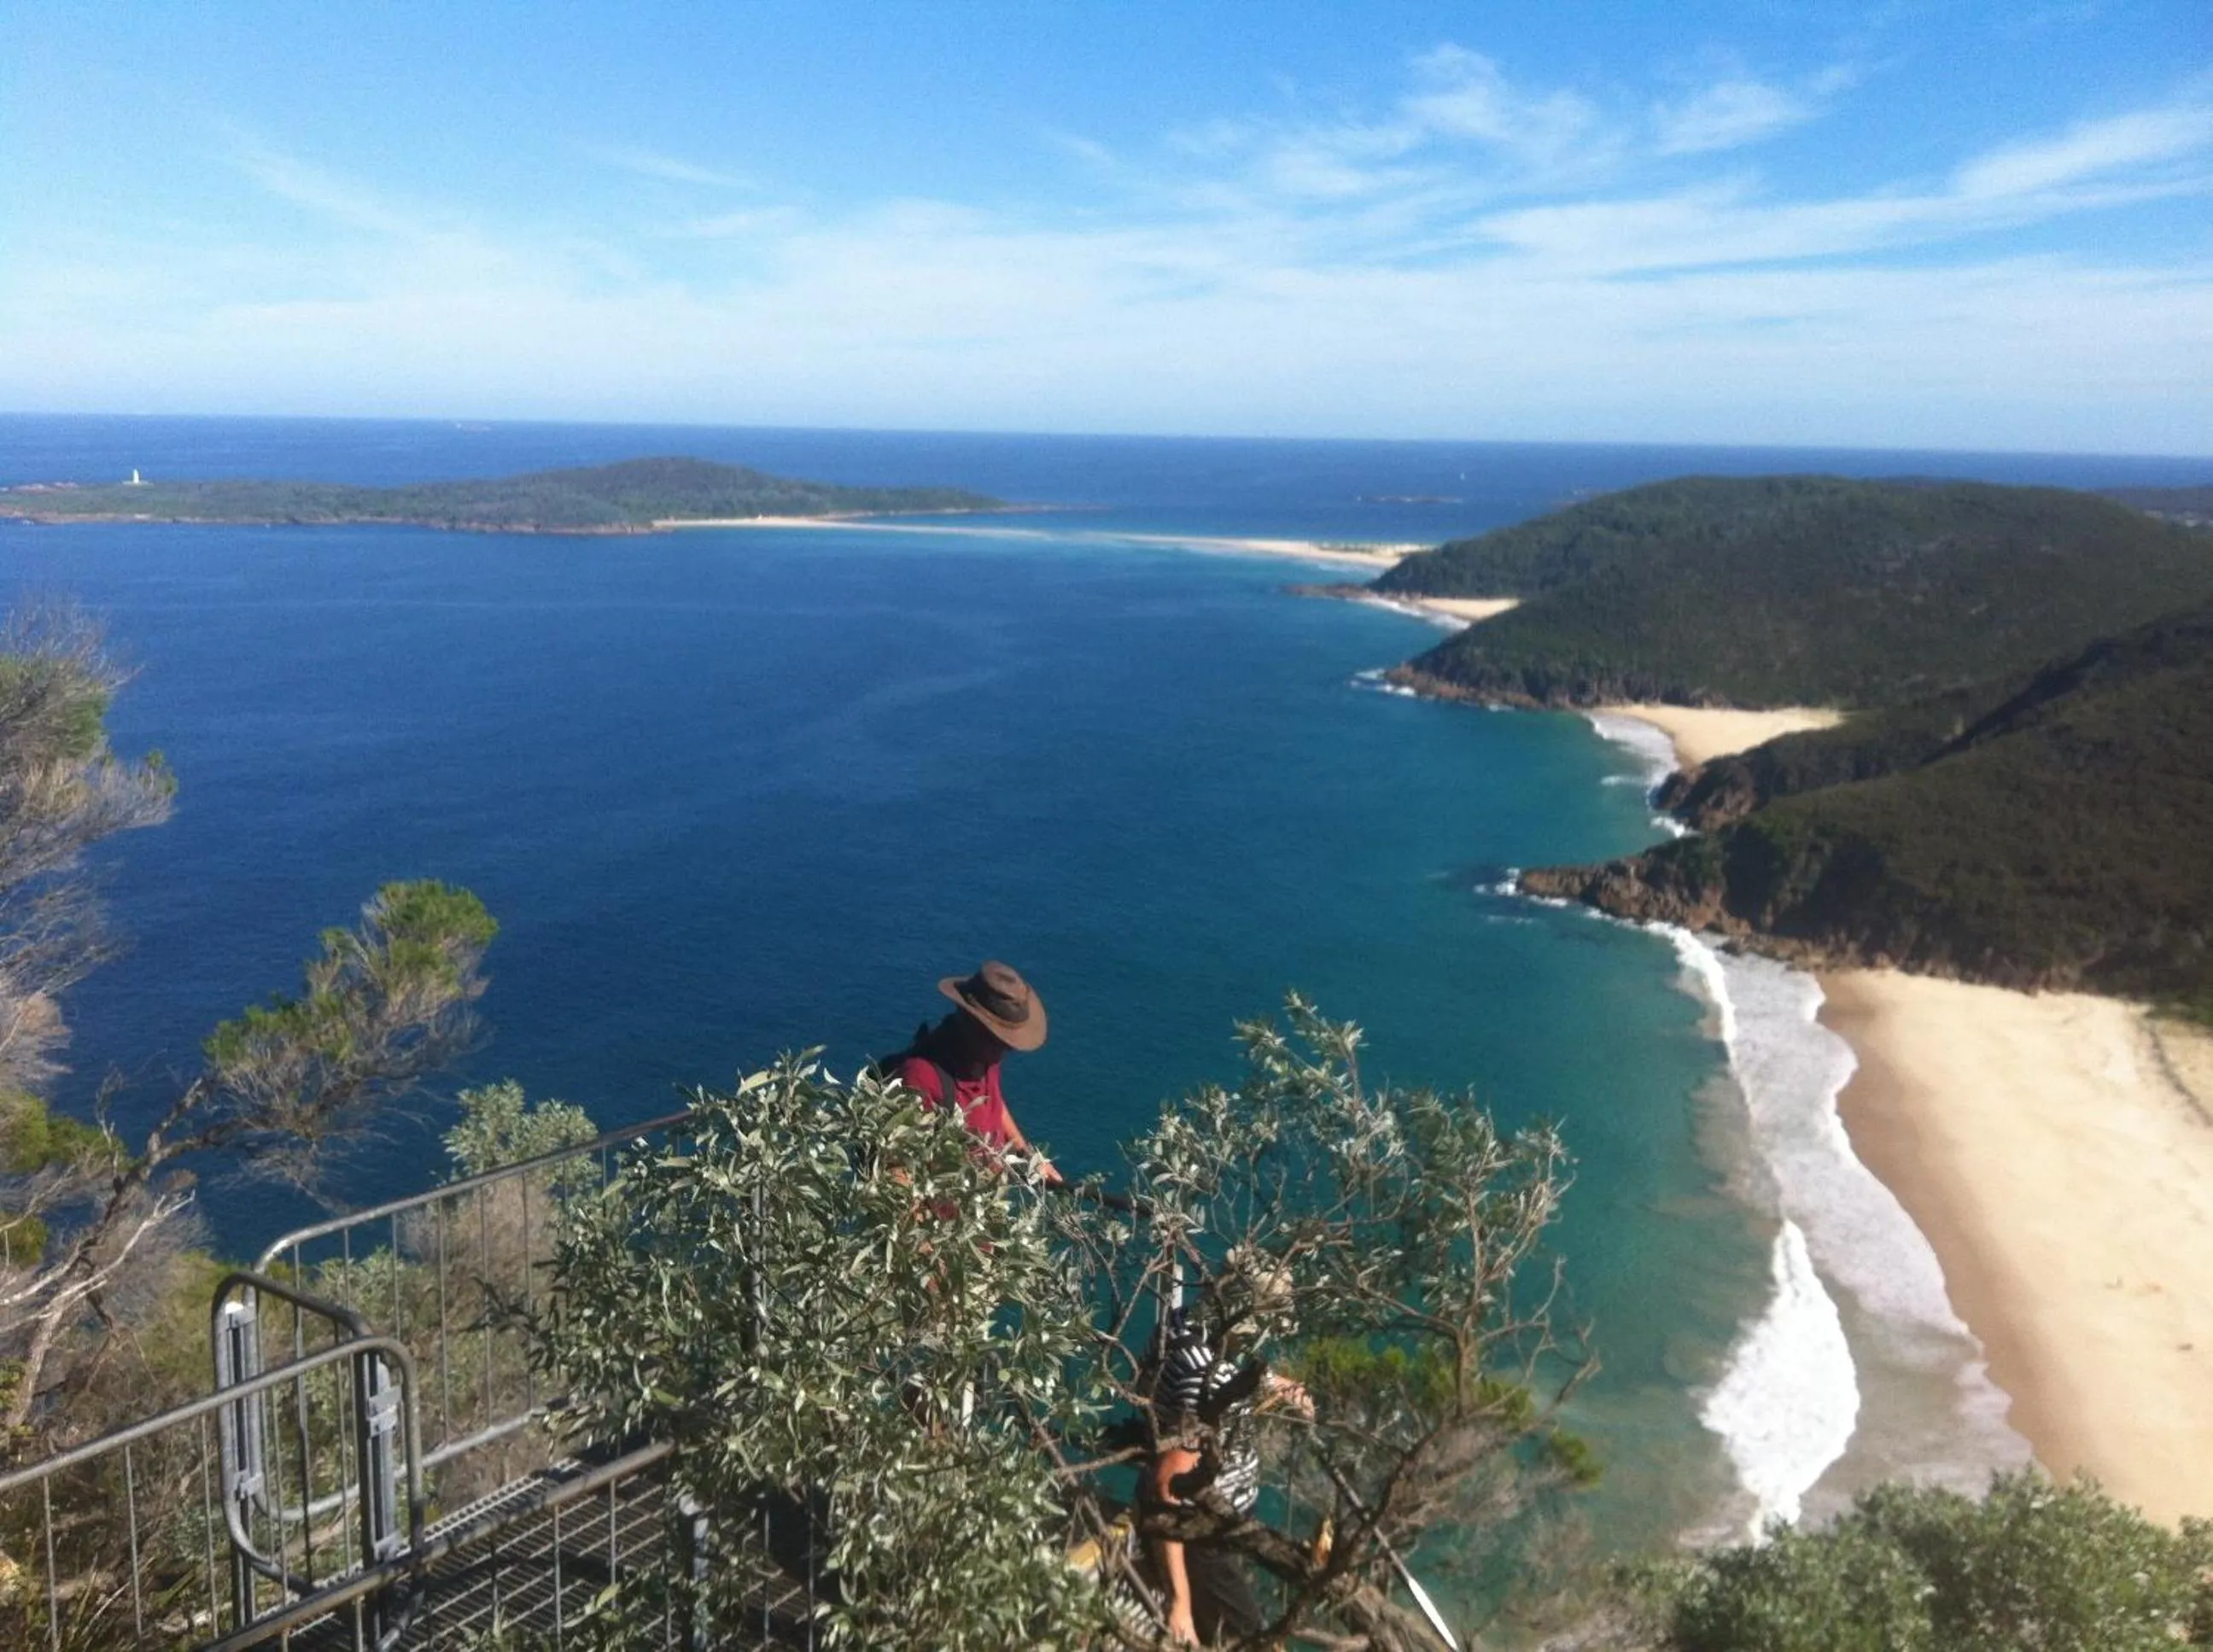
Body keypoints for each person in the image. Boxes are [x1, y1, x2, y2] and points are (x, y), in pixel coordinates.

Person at [1144, 1247, 1311, 1646]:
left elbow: (1223, 1361)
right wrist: (1178, 1601)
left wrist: (1276, 1385)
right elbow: (1167, 1487)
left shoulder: (1183, 1323)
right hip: (1205, 1536)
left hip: (1220, 1518)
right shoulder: (1210, 1381)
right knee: (1258, 1642)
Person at [897, 959, 1062, 1186]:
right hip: (948, 1217)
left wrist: (1027, 1156)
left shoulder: (983, 1054)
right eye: (1000, 1040)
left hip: (982, 1205)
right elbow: (898, 1173)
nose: (1006, 1050)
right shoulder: (922, 1077)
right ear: (972, 1023)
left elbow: (994, 1102)